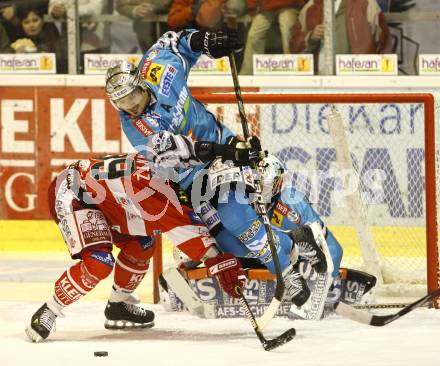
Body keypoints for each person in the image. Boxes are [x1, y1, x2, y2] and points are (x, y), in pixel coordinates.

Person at [104, 28, 328, 308]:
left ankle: (285, 273)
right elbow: (182, 152)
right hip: (193, 173)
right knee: (229, 245)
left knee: (235, 213)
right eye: (120, 103)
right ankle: (293, 243)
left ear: (141, 84)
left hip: (221, 144)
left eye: (131, 98)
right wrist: (229, 152)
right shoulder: (136, 125)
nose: (129, 107)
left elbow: (177, 41)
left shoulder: (159, 68)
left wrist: (206, 41)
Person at [25, 139, 260, 342]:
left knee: (142, 245)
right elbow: (196, 240)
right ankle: (49, 310)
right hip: (75, 191)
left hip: (114, 202)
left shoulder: (182, 171)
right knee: (99, 262)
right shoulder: (166, 196)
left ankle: (117, 306)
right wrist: (221, 264)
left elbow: (194, 150)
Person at [290, 0, 392, 74]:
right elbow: (294, 47)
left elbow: (384, 45)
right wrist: (310, 37)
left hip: (357, 81)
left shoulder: (366, 4)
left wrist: (377, 78)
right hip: (319, 83)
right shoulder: (310, 8)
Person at [239, 0, 305, 75]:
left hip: (290, 4)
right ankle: (248, 74)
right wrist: (252, 10)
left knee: (288, 28)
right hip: (267, 7)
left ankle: (294, 71)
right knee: (253, 34)